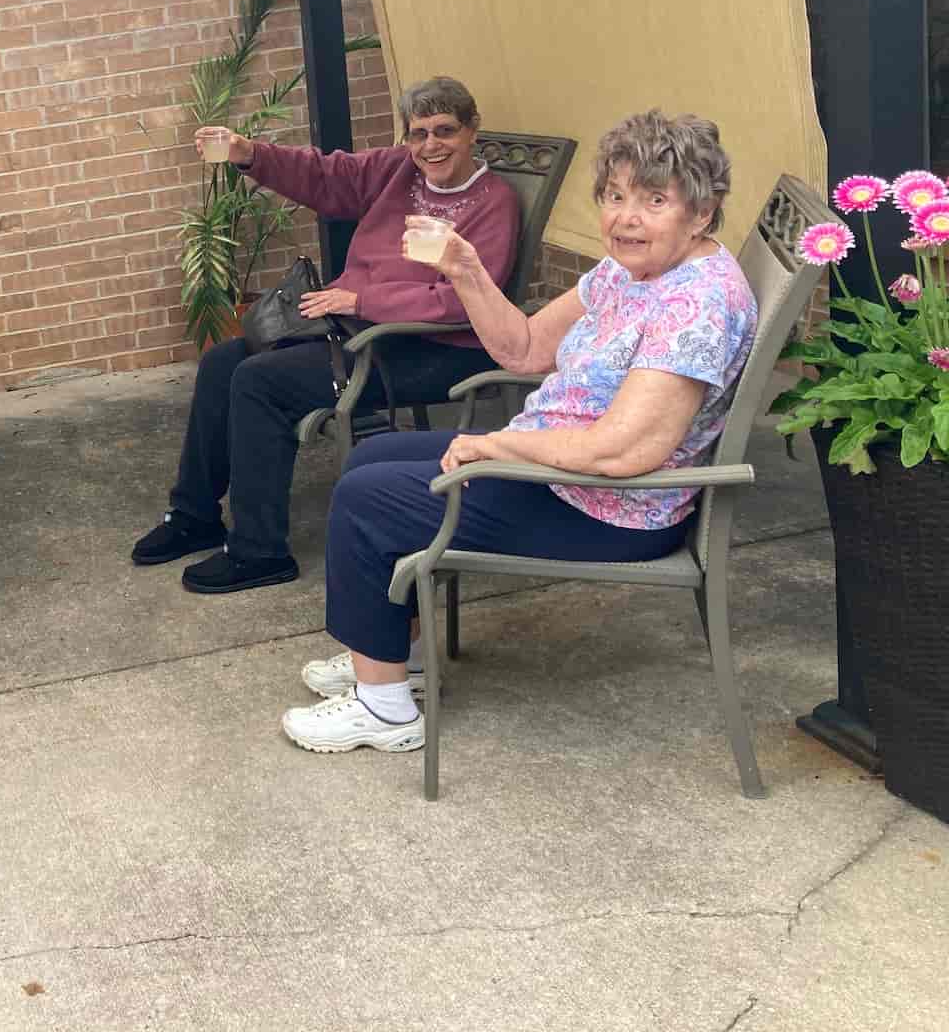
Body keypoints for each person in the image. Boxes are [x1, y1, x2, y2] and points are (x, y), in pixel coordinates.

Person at [284, 111, 758, 756]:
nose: (626, 218)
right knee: (374, 457)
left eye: (654, 201)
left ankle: (384, 711)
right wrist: (464, 268)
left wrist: (495, 446)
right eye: (615, 196)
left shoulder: (695, 305)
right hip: (562, 470)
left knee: (368, 500)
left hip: (606, 507)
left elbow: (625, 450)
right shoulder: (632, 269)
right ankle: (398, 655)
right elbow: (527, 348)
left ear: (701, 213)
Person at [133, 76, 522, 594]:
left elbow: (464, 300)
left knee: (260, 381)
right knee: (223, 362)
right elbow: (327, 175)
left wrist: (363, 300)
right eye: (418, 133)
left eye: (445, 130)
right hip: (359, 330)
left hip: (432, 346)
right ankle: (194, 515)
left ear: (472, 130)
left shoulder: (494, 203)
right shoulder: (399, 170)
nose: (431, 145)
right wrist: (250, 154)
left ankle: (259, 551)